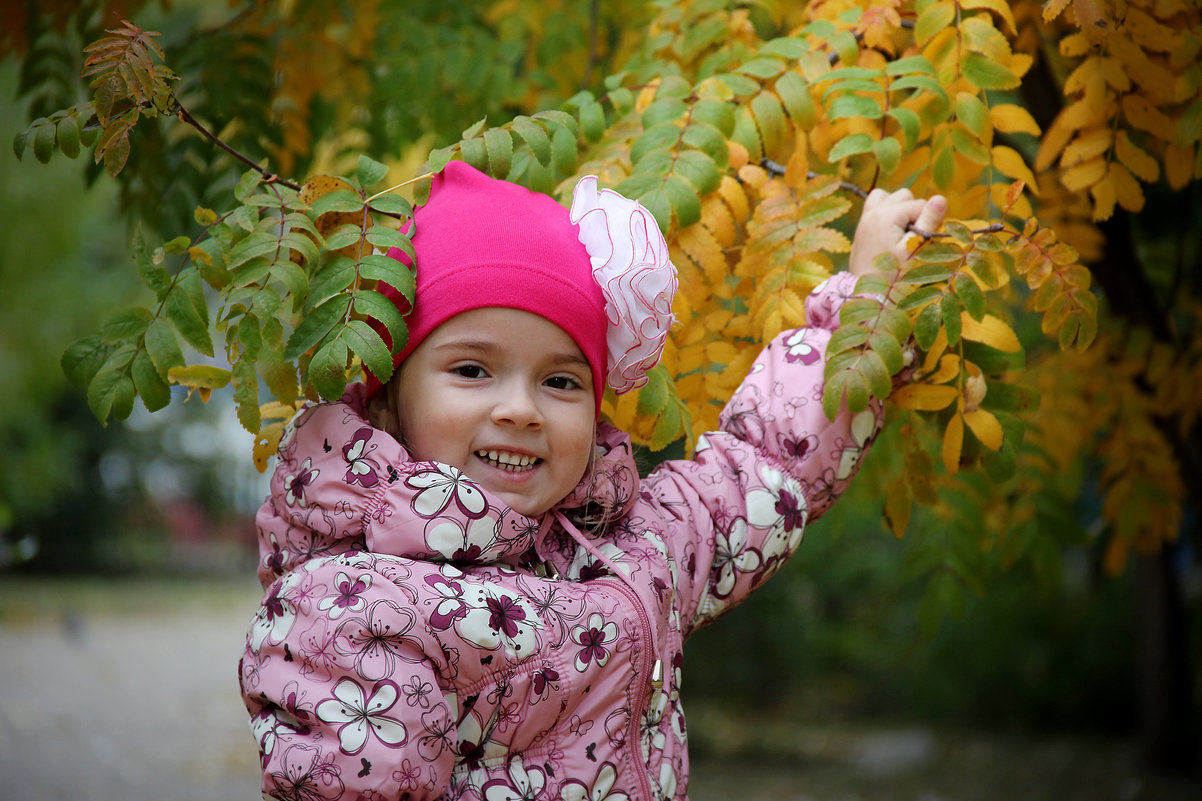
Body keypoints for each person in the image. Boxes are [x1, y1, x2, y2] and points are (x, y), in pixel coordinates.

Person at [240, 160, 946, 800]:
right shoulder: (356, 603)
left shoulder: (637, 543)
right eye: (471, 369)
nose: (519, 408)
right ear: (392, 393)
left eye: (559, 379)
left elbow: (765, 463)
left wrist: (869, 305)